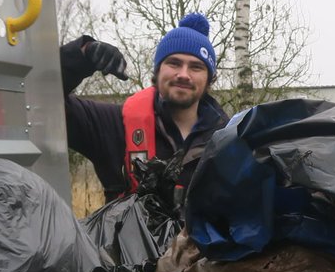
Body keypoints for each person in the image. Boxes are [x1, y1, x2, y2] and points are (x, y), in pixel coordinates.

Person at [60, 12, 229, 202]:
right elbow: (42, 102)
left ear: (209, 78)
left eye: (196, 67)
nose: (183, 74)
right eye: (174, 63)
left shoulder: (230, 141)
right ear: (157, 71)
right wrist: (81, 56)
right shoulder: (114, 125)